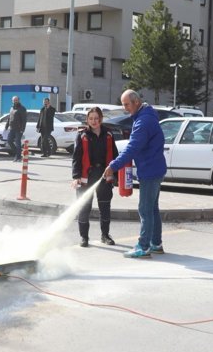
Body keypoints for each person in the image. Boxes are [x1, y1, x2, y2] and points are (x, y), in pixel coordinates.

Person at [103, 90, 167, 258]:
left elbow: (132, 148)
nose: (125, 109)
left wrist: (113, 166)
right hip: (155, 168)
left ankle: (144, 246)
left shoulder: (143, 122)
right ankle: (156, 243)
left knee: (145, 209)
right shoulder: (147, 115)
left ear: (136, 102)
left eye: (127, 105)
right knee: (152, 208)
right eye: (123, 105)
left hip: (150, 171)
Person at [71, 107, 119, 248]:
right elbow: (76, 158)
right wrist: (76, 176)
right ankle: (84, 237)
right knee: (84, 208)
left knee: (105, 207)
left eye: (96, 118)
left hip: (104, 176)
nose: (93, 121)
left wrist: (115, 175)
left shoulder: (108, 134)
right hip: (86, 177)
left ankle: (105, 235)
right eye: (91, 118)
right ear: (87, 120)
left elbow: (115, 156)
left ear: (101, 119)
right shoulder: (82, 135)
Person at [4, 95, 27, 162]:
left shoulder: (22, 108)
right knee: (9, 141)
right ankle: (17, 153)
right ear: (12, 101)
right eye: (14, 100)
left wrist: (22, 129)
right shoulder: (11, 108)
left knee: (17, 142)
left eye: (16, 100)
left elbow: (24, 120)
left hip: (19, 129)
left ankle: (18, 157)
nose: (15, 101)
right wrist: (6, 126)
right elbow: (9, 118)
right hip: (12, 128)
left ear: (19, 100)